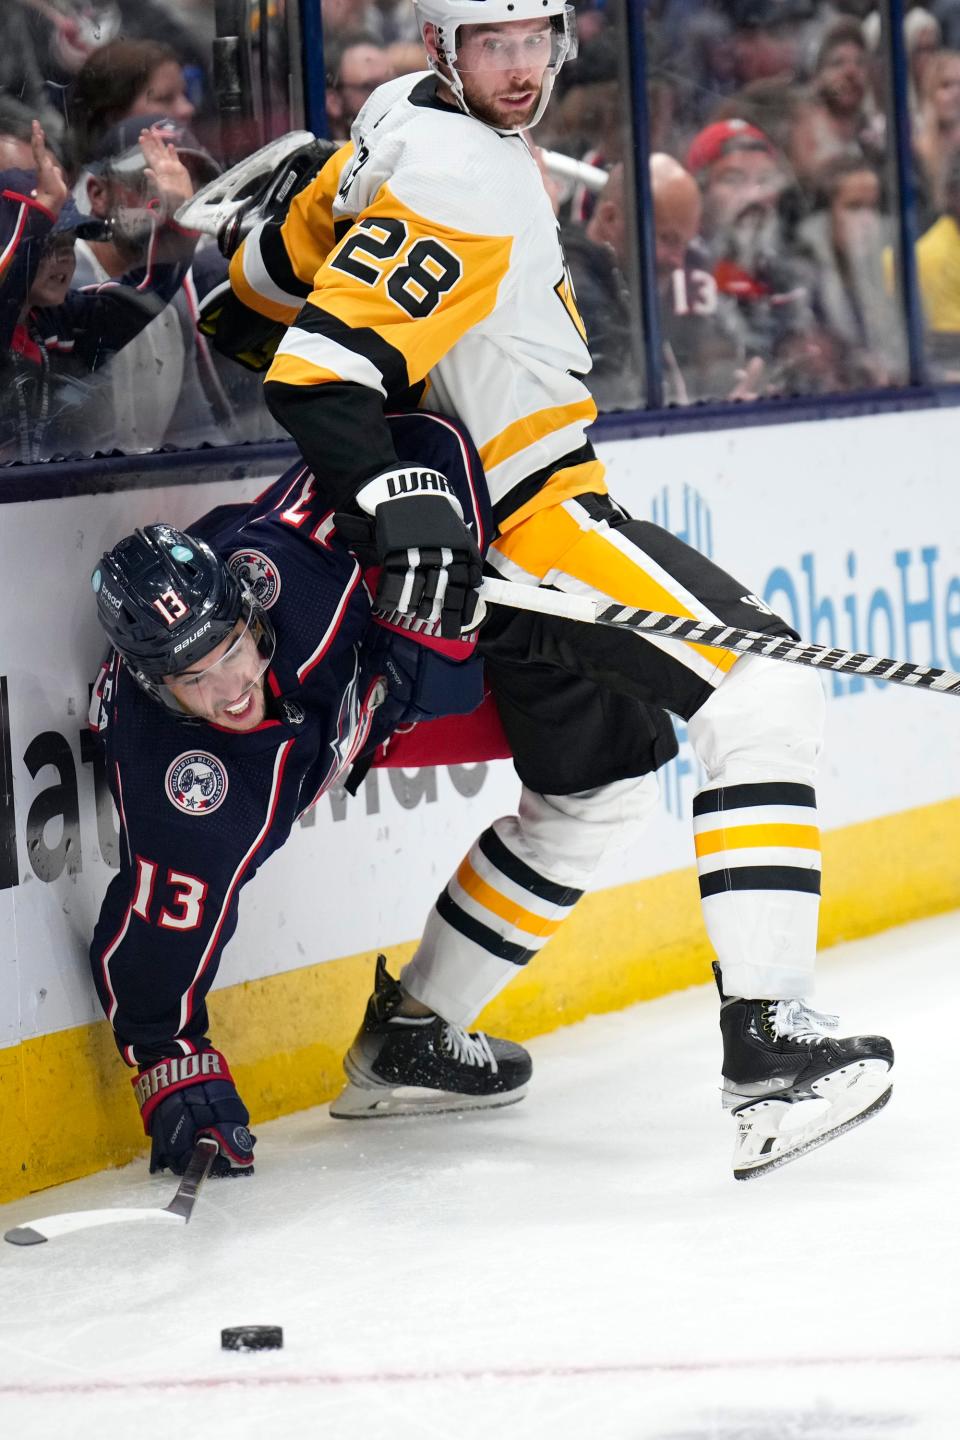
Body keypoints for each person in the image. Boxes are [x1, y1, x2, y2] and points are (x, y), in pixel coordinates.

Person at [139, 0, 893, 1181]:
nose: (521, 69)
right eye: (492, 44)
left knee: (589, 796)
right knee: (768, 697)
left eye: (536, 39)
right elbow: (318, 372)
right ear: (442, 47)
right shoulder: (459, 173)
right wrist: (397, 496)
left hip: (496, 521)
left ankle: (416, 1035)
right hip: (540, 510)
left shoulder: (395, 125)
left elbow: (248, 313)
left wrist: (284, 241)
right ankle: (772, 1055)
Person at [0, 120, 199, 462]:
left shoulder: (53, 322)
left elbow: (141, 297)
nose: (64, 258)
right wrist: (39, 213)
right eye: (47, 244)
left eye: (68, 242)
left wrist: (178, 221)